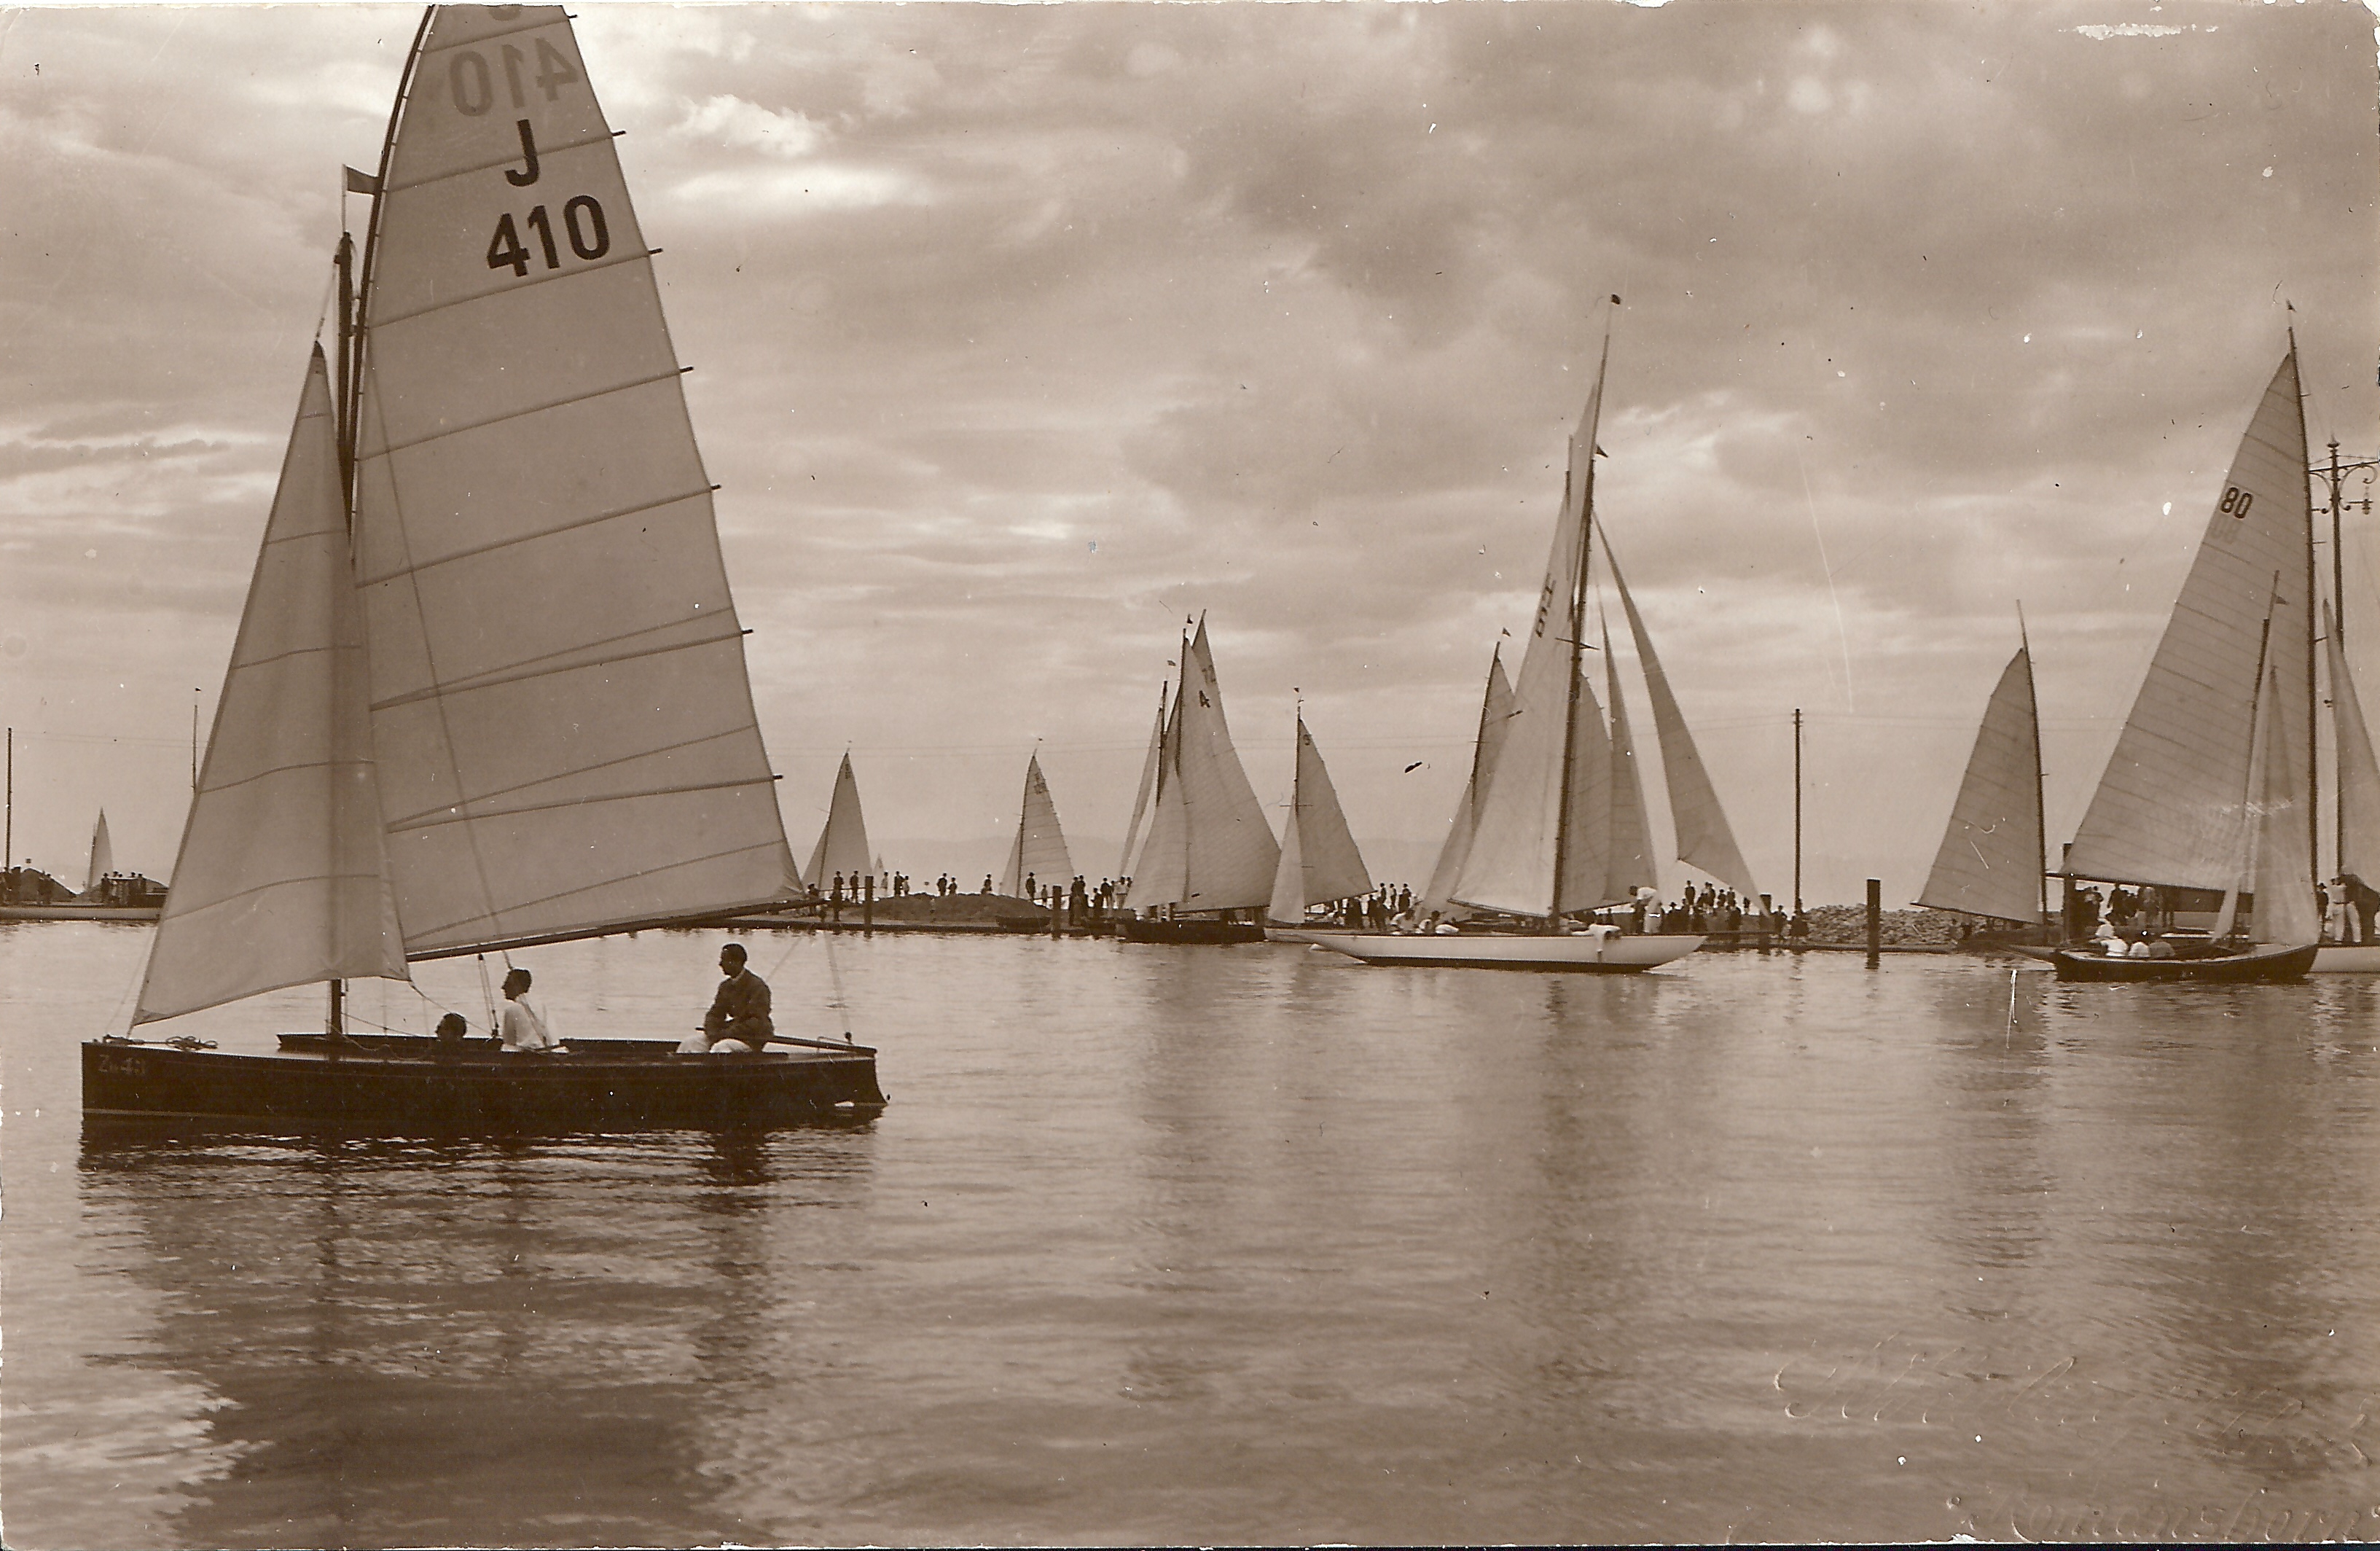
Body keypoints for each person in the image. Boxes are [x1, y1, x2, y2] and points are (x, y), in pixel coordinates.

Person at [689, 941, 774, 1054]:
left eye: (724, 960)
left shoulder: (758, 987)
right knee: (691, 1043)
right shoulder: (725, 987)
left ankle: (714, 1065)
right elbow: (715, 1014)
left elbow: (756, 1021)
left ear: (737, 962)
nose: (720, 964)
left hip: (752, 1038)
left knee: (721, 1048)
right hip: (728, 1034)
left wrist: (727, 1033)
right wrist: (712, 1032)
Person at [498, 968, 561, 1052]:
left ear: (517, 987)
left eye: (507, 984)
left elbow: (509, 1041)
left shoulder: (512, 1010)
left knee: (506, 1047)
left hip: (532, 1055)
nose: (503, 987)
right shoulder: (542, 1005)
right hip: (554, 1051)